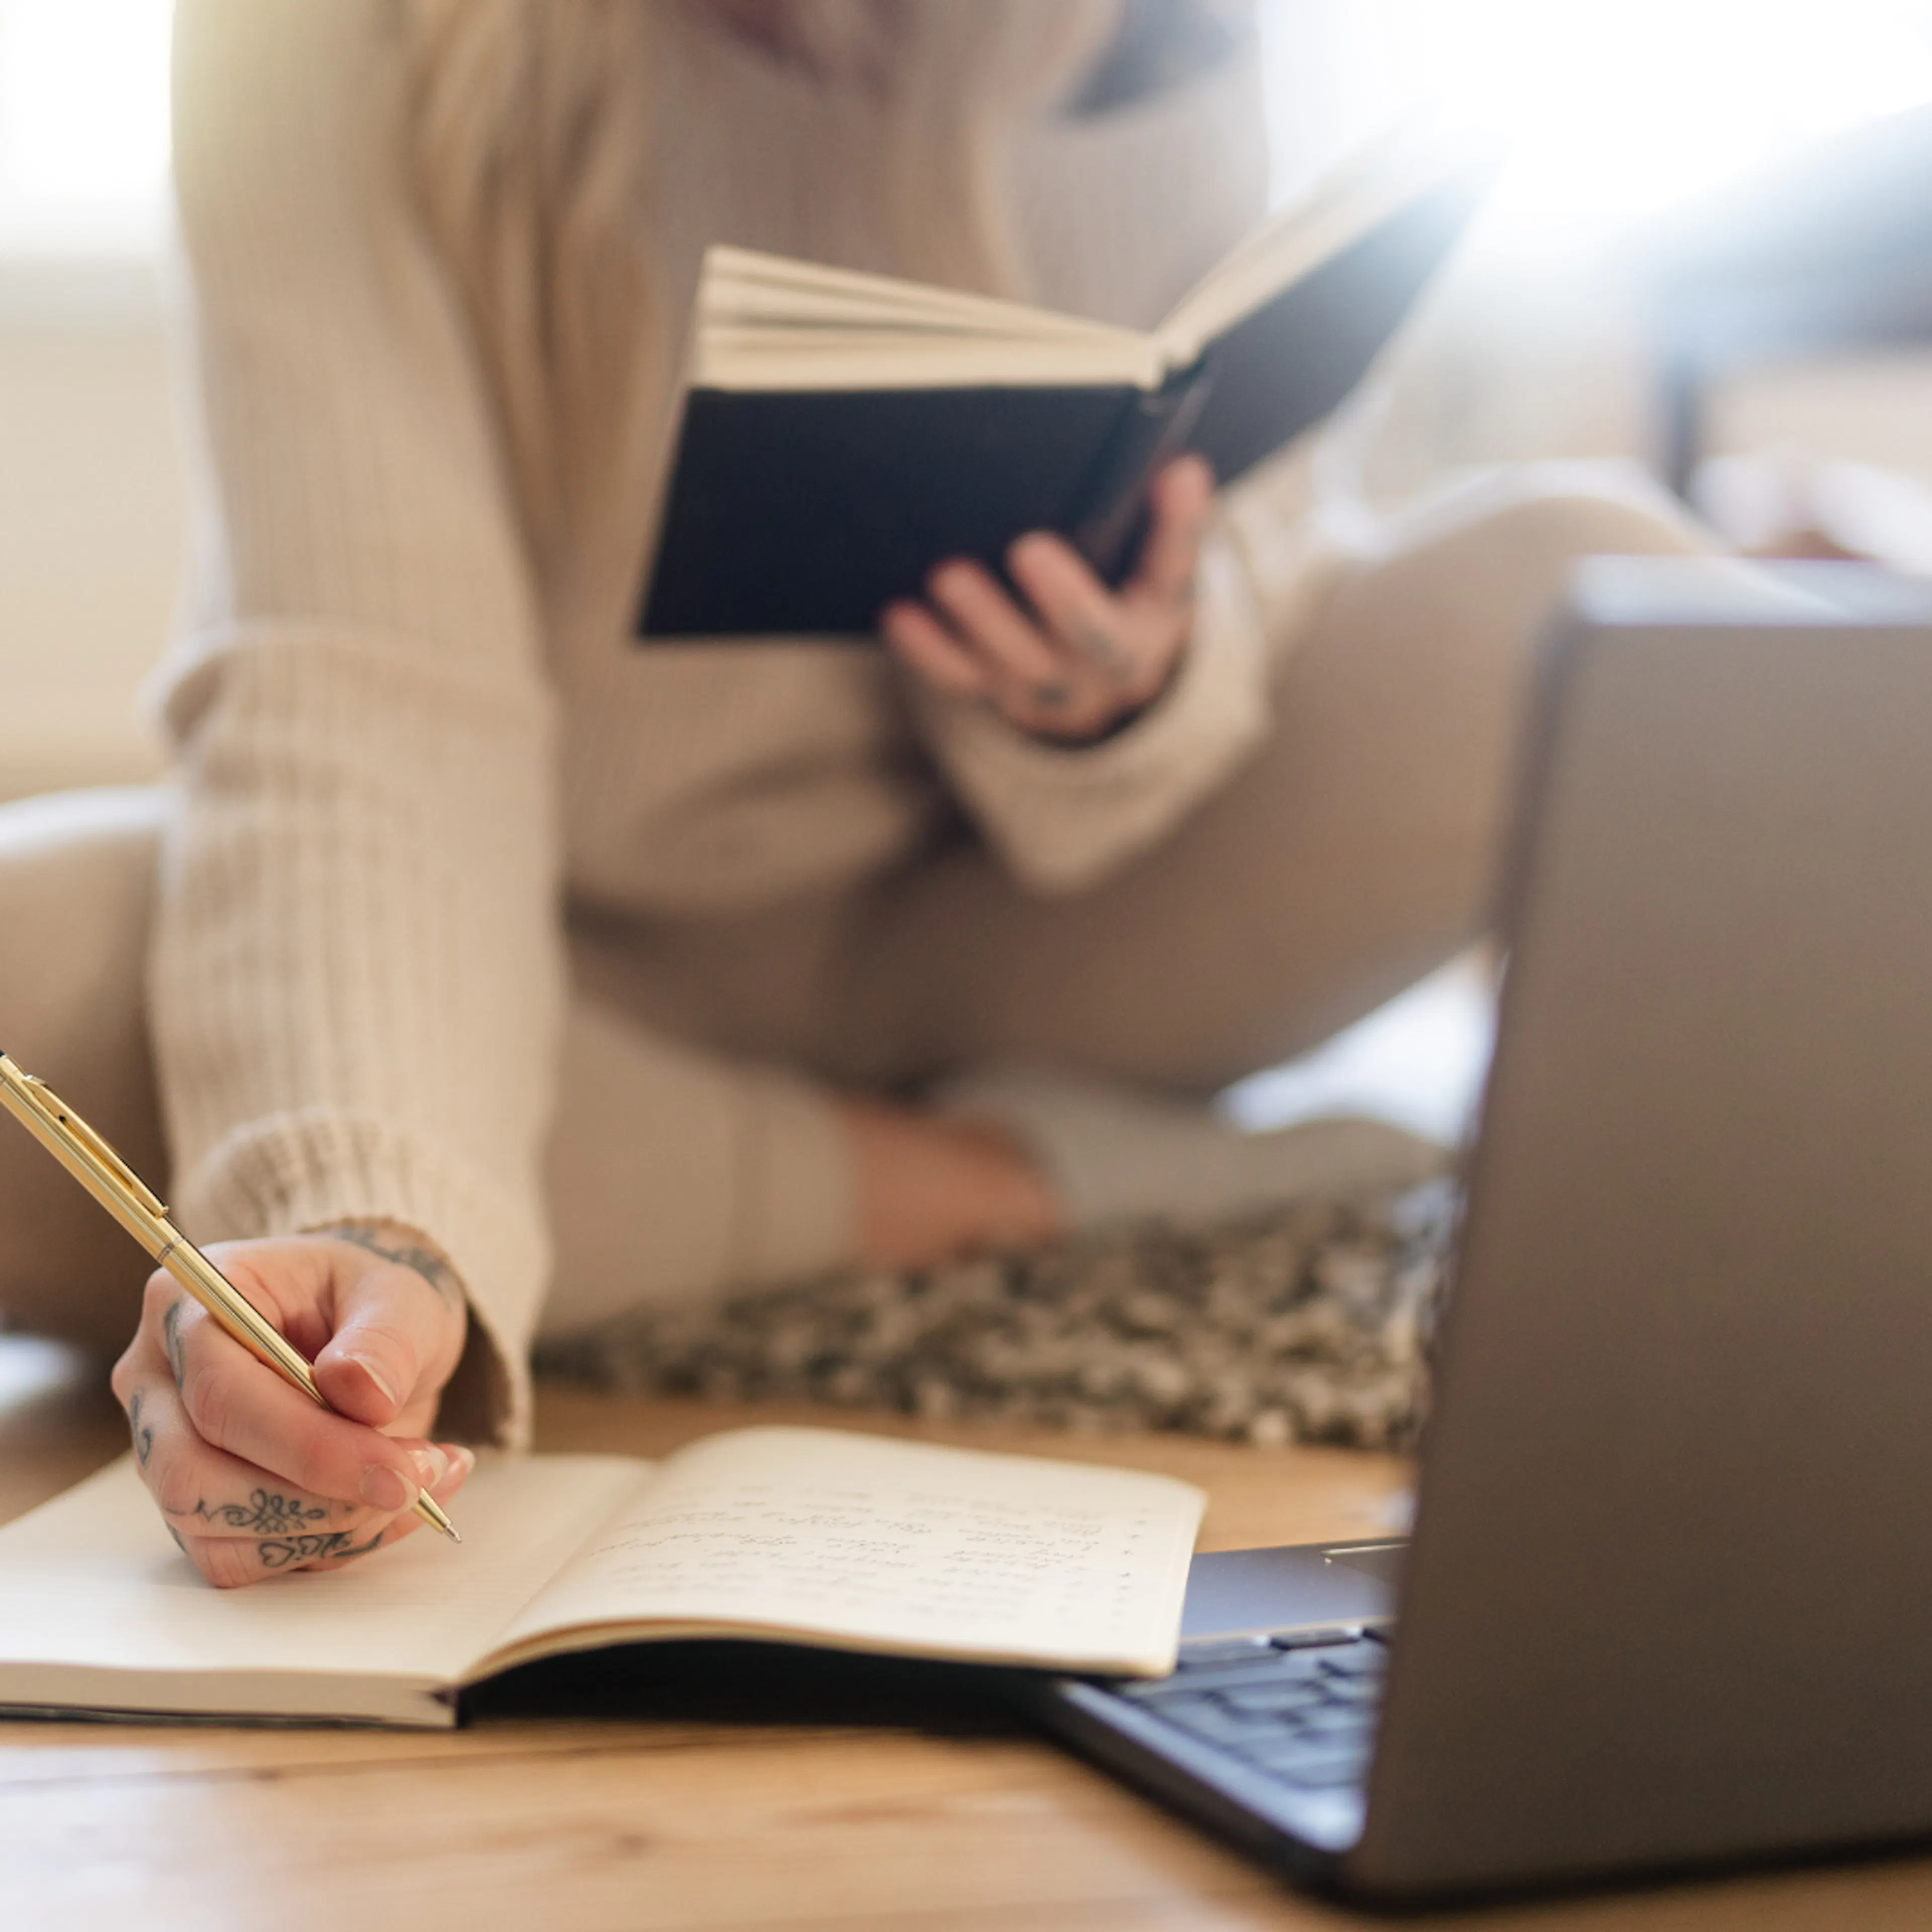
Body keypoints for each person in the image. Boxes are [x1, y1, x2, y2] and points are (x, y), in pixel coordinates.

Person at [0, 0, 1705, 1587]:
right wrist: (380, 1222)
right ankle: (990, 1183)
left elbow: (1257, 530)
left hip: (1018, 924)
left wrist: (1130, 687)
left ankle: (771, 1189)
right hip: (554, 978)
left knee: (1604, 599)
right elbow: (360, 683)